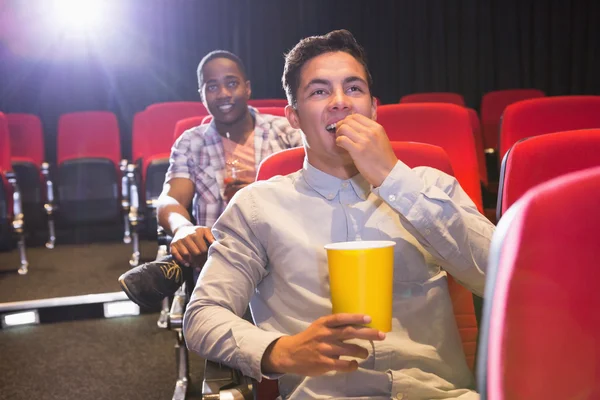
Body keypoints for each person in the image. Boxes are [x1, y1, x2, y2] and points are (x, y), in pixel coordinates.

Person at [183, 30, 495, 399]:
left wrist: (394, 179)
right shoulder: (258, 206)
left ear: (374, 108)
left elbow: (499, 275)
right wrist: (280, 350)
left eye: (353, 89)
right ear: (293, 117)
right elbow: (202, 314)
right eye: (319, 91)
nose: (339, 102)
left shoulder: (432, 187)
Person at [119, 50, 302, 307]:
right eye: (212, 86)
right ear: (202, 96)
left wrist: (258, 193)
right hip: (218, 261)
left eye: (231, 83)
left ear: (247, 88)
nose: (224, 94)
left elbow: (313, 188)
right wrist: (183, 228)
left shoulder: (286, 132)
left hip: (282, 256)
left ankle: (174, 270)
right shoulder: (191, 142)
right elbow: (170, 199)